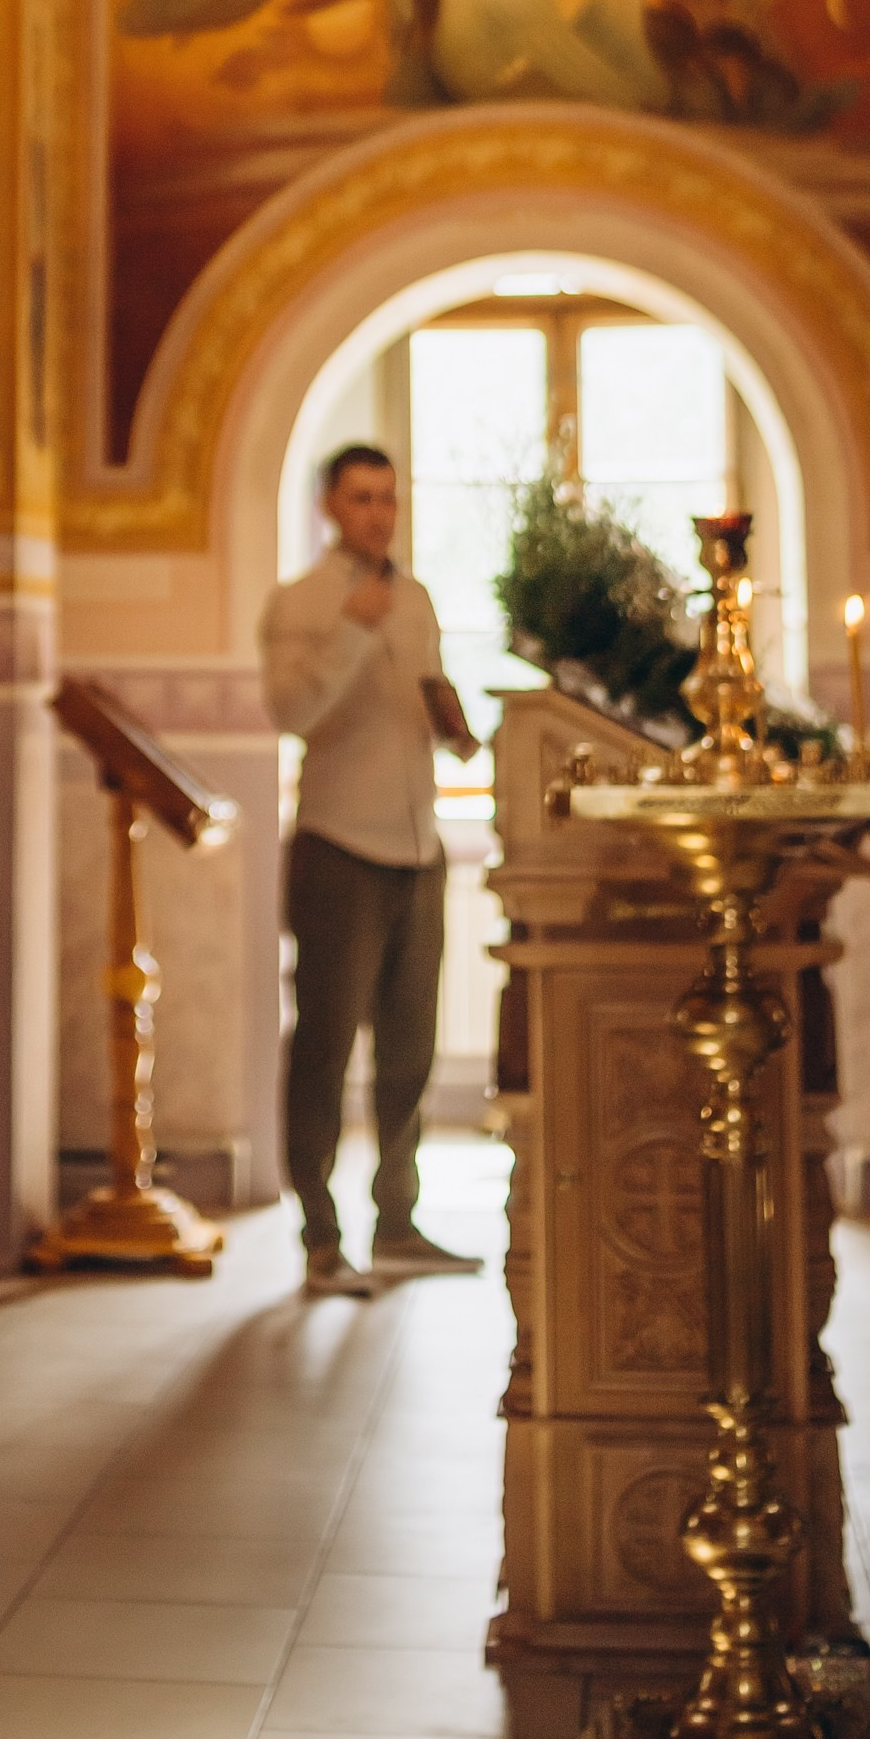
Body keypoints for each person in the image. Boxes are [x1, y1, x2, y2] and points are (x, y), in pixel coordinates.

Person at [260, 441, 483, 1296]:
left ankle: (397, 1220)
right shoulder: (304, 602)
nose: (379, 513)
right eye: (361, 498)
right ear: (329, 507)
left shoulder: (417, 597)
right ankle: (321, 1233)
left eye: (389, 497)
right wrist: (355, 627)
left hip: (418, 849)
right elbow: (291, 712)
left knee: (410, 1048)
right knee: (323, 1045)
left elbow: (422, 692)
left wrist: (454, 726)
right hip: (338, 848)